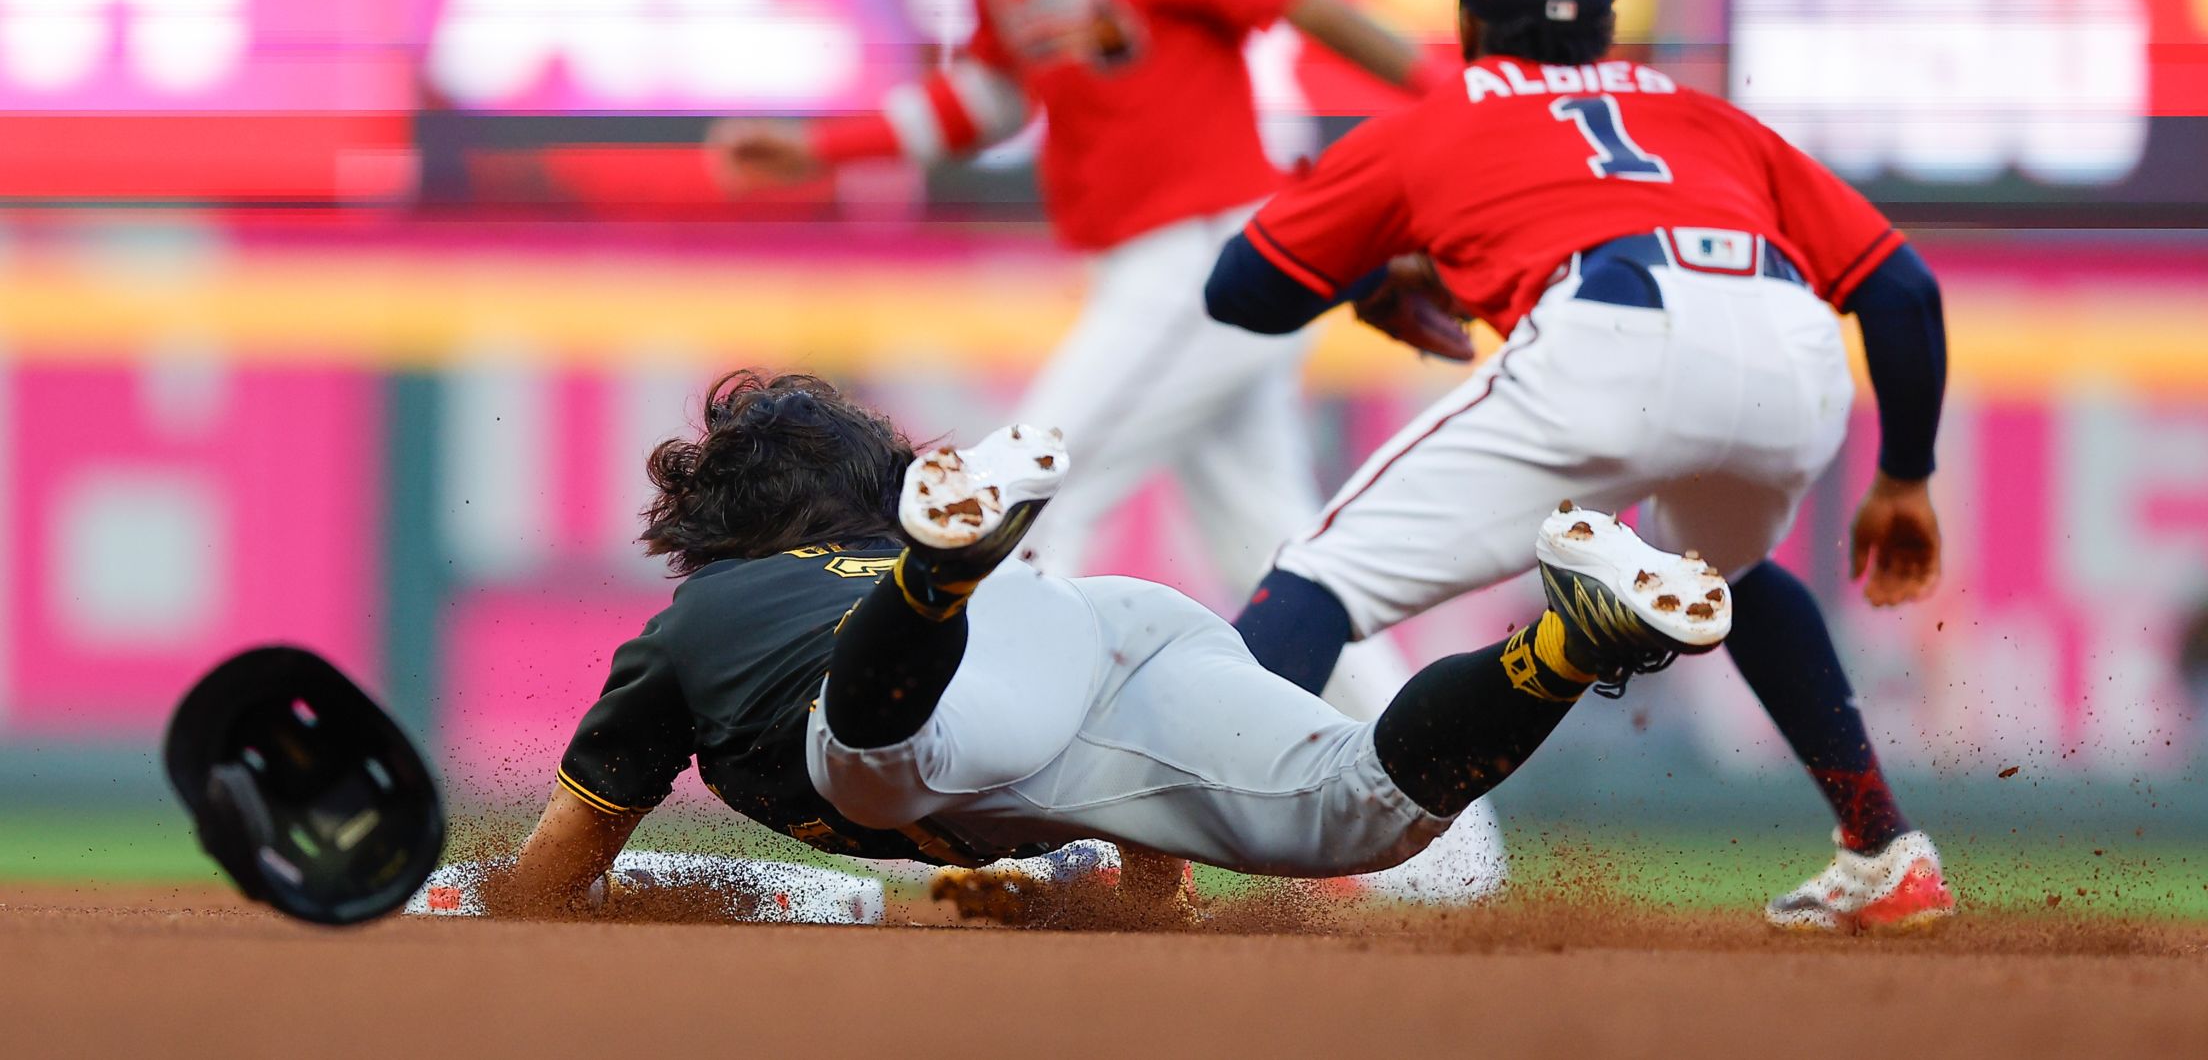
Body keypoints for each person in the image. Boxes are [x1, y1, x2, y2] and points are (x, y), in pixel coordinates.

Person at [707, 0, 1504, 900]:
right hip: (1153, 262)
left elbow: (1308, 6)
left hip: (1212, 247)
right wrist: (822, 146)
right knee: (1297, 566)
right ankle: (1456, 861)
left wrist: (1457, 102)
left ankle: (1033, 814)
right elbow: (985, 99)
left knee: (1019, 494)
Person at [1203, 0, 1956, 934]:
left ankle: (1161, 833)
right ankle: (1884, 849)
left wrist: (1377, 272)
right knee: (1726, 571)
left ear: (1468, 17)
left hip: (1612, 335)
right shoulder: (1710, 119)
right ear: (1606, 19)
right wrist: (1905, 474)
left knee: (1321, 578)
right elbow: (1902, 291)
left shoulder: (1447, 116)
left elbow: (1241, 290)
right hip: (1790, 344)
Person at [492, 371, 1731, 917]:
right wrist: (1052, 898)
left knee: (871, 754)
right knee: (1363, 809)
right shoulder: (956, 606)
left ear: (715, 536)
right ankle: (1569, 643)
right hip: (1098, 617)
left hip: (938, 674)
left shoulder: (693, 624)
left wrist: (500, 907)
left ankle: (935, 586)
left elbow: (560, 870)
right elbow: (1152, 869)